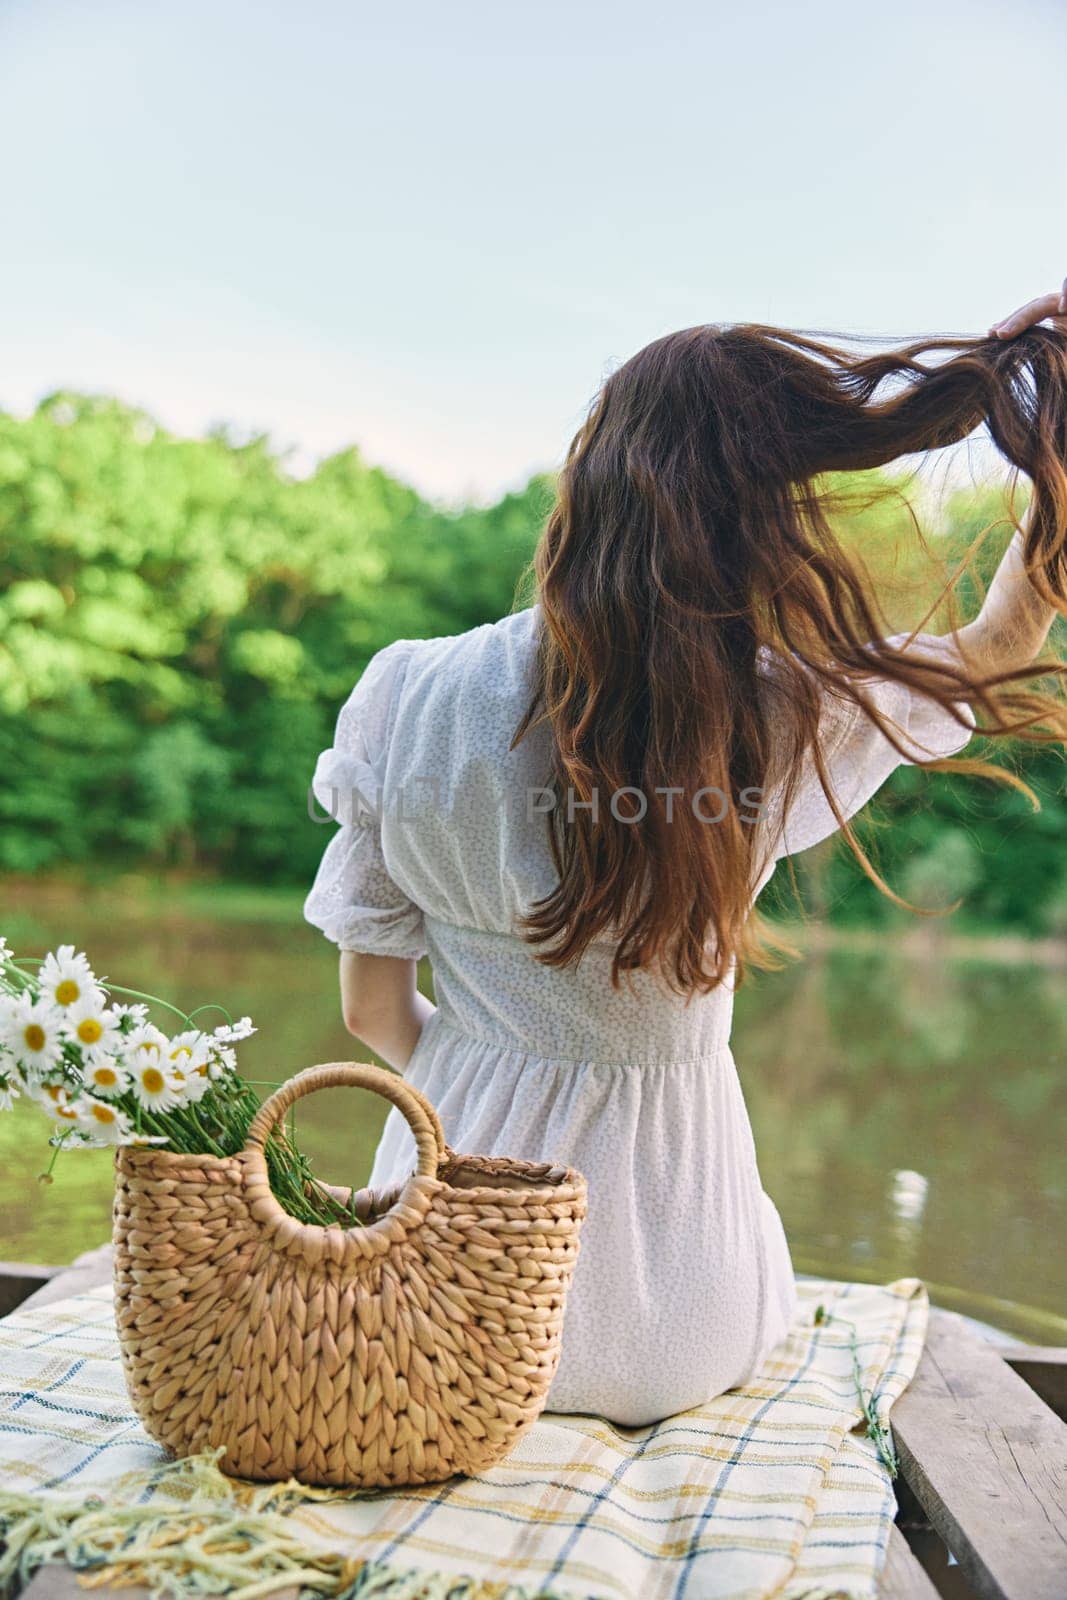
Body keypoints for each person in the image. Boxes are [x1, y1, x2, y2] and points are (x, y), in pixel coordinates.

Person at [305, 286, 1067, 1426]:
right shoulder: (782, 708)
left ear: (584, 480)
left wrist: (486, 1083)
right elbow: (998, 645)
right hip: (680, 1323)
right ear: (762, 519)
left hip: (444, 1287)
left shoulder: (406, 693)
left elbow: (372, 1013)